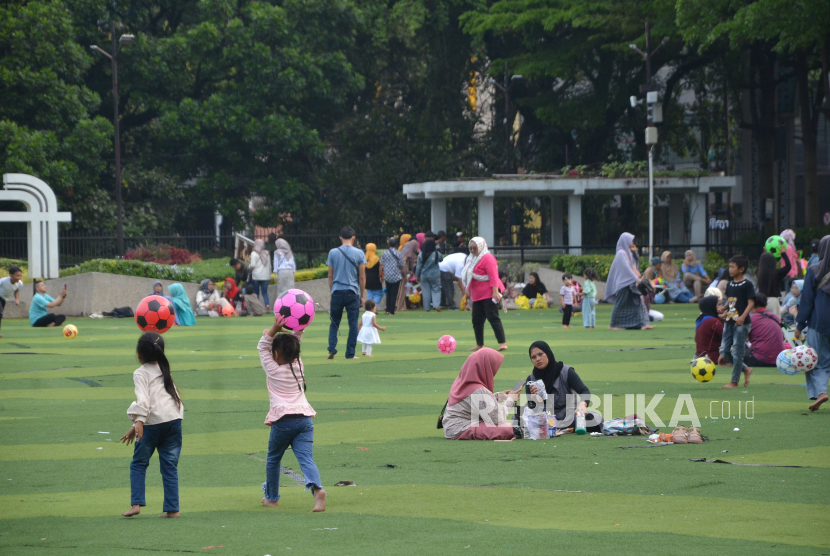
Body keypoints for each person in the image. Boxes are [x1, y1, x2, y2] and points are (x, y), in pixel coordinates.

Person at [258, 314, 326, 512]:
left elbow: (262, 347)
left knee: (273, 459)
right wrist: (299, 325)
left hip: (283, 421)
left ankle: (272, 497)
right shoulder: (298, 365)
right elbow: (295, 341)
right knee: (306, 459)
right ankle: (317, 490)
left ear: (276, 355)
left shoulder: (273, 369)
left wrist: (274, 329)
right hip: (305, 420)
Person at [120, 332, 183, 518]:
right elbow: (163, 401)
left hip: (152, 423)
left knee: (139, 463)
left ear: (139, 355)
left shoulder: (140, 373)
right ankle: (173, 510)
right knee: (169, 466)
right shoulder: (165, 369)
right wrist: (135, 426)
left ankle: (136, 505)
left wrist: (139, 421)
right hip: (174, 420)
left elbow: (144, 400)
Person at [525, 341, 603, 433]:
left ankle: (558, 428)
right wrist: (534, 399)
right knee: (518, 419)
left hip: (569, 415)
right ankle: (558, 427)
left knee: (595, 420)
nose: (538, 359)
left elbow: (584, 390)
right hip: (546, 418)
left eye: (540, 354)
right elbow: (533, 410)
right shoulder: (531, 379)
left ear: (548, 353)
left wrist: (583, 404)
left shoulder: (565, 371)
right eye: (533, 357)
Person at [442, 348, 518, 440]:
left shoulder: (462, 380)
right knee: (505, 429)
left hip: (452, 427)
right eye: (492, 367)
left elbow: (475, 402)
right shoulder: (478, 389)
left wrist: (500, 396)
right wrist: (511, 400)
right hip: (460, 429)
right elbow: (498, 418)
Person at [794, 235, 830, 412]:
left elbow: (807, 299)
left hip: (819, 322)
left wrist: (800, 325)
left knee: (814, 359)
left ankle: (820, 392)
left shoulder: (815, 269)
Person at [326, 227, 367, 360]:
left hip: (337, 290)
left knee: (334, 322)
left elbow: (330, 275)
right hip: (352, 291)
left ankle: (332, 349)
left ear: (340, 237)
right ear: (353, 238)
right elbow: (362, 276)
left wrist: (332, 291)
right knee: (353, 324)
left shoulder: (333, 252)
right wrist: (362, 295)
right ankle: (350, 353)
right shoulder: (359, 253)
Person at [717, 254, 755, 388]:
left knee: (737, 352)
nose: (730, 269)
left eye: (733, 267)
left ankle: (734, 381)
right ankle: (745, 369)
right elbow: (732, 300)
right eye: (729, 266)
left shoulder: (747, 284)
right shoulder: (730, 284)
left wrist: (743, 317)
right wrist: (724, 308)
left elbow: (750, 303)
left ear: (741, 269)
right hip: (729, 321)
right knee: (725, 351)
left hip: (741, 323)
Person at [462, 237, 507, 351]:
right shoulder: (471, 259)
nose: (472, 250)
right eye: (470, 248)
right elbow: (468, 277)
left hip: (489, 293)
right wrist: (467, 292)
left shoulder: (487, 258)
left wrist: (495, 292)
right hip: (477, 294)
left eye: (475, 248)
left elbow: (493, 276)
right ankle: (479, 344)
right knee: (477, 320)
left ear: (481, 246)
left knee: (493, 317)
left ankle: (502, 343)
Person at [605, 233, 652, 330]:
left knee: (637, 303)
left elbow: (634, 265)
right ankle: (613, 325)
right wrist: (636, 279)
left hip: (630, 283)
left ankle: (643, 323)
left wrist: (635, 253)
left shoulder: (627, 253)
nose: (632, 243)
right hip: (623, 283)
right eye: (630, 240)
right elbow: (626, 268)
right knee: (620, 303)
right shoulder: (621, 253)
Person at [743, 293, 785, 368]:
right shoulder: (775, 317)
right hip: (779, 360)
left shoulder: (750, 319)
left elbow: (739, 340)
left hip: (761, 359)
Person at [415, 238, 443, 312]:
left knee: (425, 291)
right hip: (435, 274)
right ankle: (436, 305)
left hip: (424, 275)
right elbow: (441, 259)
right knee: (436, 290)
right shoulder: (436, 253)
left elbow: (418, 266)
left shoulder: (421, 254)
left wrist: (417, 275)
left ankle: (427, 308)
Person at [380, 237, 405, 315]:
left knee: (388, 293)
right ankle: (392, 311)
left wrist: (380, 275)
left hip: (387, 276)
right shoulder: (398, 253)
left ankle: (387, 310)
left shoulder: (385, 253)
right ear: (396, 245)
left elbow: (381, 264)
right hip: (396, 275)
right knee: (394, 293)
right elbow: (401, 265)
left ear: (389, 244)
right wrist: (404, 273)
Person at [695, 296, 724, 363]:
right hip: (713, 357)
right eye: (719, 305)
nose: (722, 307)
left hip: (700, 355)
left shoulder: (700, 319)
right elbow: (726, 336)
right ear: (711, 306)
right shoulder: (714, 321)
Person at [0, 266, 24, 338]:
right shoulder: (3, 281)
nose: (19, 277)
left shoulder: (20, 283)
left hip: (4, 299)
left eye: (20, 276)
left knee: (0, 315)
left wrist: (17, 299)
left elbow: (16, 290)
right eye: (17, 276)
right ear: (11, 275)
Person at [250, 239, 271, 311]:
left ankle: (258, 308)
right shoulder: (266, 253)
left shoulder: (254, 253)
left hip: (256, 276)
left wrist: (248, 267)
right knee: (265, 292)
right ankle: (267, 304)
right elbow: (269, 266)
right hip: (265, 276)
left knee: (256, 293)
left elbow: (252, 265)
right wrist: (269, 275)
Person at [395, 234, 413, 313]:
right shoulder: (407, 249)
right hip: (402, 272)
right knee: (402, 290)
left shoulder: (400, 249)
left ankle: (397, 305)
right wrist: (407, 272)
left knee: (398, 289)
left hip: (396, 272)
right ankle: (401, 306)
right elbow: (404, 262)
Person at [363, 243, 384, 307]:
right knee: (379, 293)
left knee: (370, 294)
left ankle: (370, 307)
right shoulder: (376, 258)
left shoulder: (365, 258)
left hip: (367, 279)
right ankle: (373, 306)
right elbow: (380, 268)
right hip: (376, 278)